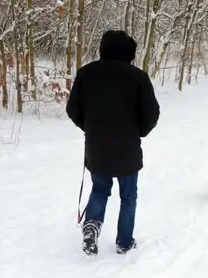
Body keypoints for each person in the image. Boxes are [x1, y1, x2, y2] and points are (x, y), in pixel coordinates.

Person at [66, 30, 160, 256]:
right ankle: (125, 242)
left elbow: (73, 109)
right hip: (127, 147)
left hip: (97, 146)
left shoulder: (85, 74)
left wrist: (90, 128)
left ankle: (92, 226)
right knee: (128, 196)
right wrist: (139, 131)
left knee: (100, 189)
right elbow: (152, 113)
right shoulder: (138, 77)